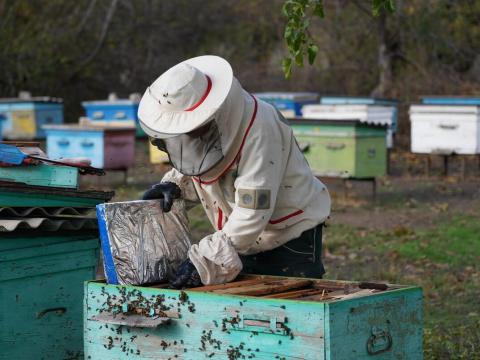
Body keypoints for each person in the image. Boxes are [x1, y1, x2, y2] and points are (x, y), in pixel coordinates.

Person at [138, 55, 331, 289]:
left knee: (289, 316)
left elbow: (252, 211)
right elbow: (198, 155)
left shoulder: (260, 129)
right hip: (240, 235)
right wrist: (176, 185)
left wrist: (206, 260)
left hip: (289, 235)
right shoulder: (211, 125)